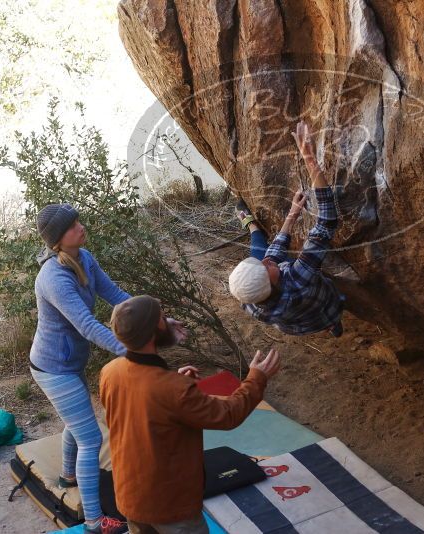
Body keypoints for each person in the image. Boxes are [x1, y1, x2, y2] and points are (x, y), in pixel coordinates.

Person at [100, 295, 281, 534]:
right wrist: (257, 378)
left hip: (129, 496)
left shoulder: (110, 372)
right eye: (162, 317)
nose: (167, 319)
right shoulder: (172, 389)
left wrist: (176, 383)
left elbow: (142, 404)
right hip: (170, 505)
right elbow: (228, 415)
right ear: (155, 329)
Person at [29, 203, 130, 534]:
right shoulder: (53, 277)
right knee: (91, 437)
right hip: (52, 368)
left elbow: (114, 294)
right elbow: (87, 325)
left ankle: (68, 475)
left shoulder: (84, 259)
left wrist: (152, 317)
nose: (81, 227)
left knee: (78, 420)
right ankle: (94, 522)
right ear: (59, 239)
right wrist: (130, 351)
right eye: (73, 226)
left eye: (78, 221)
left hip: (70, 362)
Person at [228, 121, 345, 337]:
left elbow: (272, 257)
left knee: (260, 250)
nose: (265, 261)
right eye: (264, 268)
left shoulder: (250, 302)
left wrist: (292, 214)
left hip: (298, 325)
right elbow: (327, 222)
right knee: (261, 251)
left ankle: (252, 225)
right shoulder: (298, 278)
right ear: (272, 282)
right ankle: (332, 322)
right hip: (324, 306)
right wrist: (309, 158)